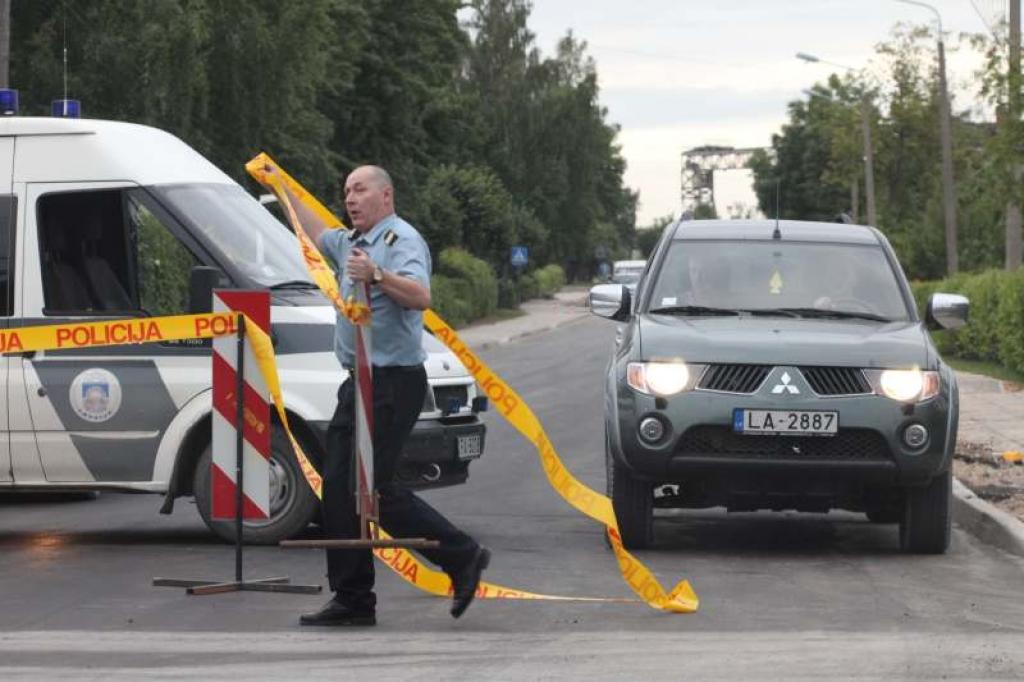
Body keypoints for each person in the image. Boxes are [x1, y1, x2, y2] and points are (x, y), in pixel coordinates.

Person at [298, 165, 489, 627]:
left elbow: (421, 297)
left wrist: (377, 275)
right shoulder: (349, 243)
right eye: (345, 191)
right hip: (357, 382)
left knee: (374, 490)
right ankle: (352, 599)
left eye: (359, 189)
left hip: (393, 382)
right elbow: (314, 228)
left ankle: (461, 556)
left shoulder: (399, 240)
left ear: (386, 195)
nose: (350, 197)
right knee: (339, 491)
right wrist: (280, 186)